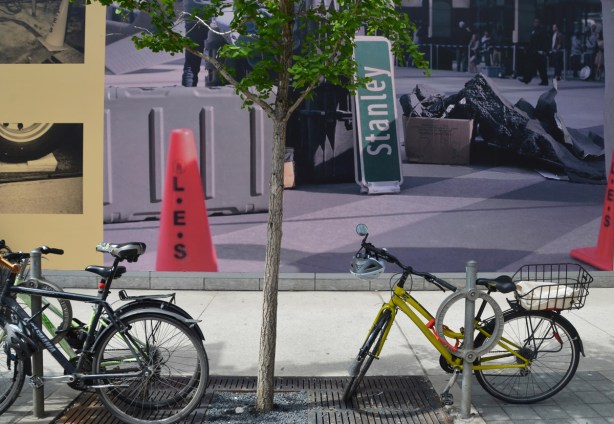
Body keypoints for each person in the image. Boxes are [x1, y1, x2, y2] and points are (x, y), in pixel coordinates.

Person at [182, 0, 211, 87]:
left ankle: (188, 93)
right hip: (213, 13)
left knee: (191, 61)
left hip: (191, 11)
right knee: (219, 53)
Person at [520, 18, 549, 85]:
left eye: (537, 22)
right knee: (530, 66)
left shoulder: (542, 31)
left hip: (539, 52)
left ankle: (544, 81)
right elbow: (531, 41)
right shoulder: (533, 30)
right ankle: (526, 79)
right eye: (535, 22)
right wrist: (527, 49)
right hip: (533, 52)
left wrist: (544, 50)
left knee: (541, 68)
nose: (536, 23)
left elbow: (544, 41)